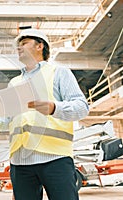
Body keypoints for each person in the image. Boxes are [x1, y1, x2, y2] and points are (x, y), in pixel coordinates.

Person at [8, 28, 89, 200]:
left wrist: (54, 108)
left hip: (55, 158)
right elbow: (10, 120)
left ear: (39, 46)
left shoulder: (59, 72)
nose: (19, 48)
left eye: (24, 43)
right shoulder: (14, 82)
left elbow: (82, 107)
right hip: (20, 161)